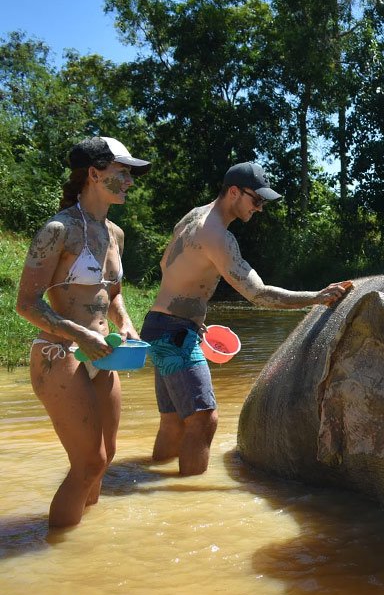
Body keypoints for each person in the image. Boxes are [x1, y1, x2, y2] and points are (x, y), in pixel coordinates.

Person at [140, 162, 352, 476]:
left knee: (174, 422)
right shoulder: (217, 236)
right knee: (203, 418)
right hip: (175, 332)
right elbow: (259, 294)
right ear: (234, 192)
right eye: (257, 200)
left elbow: (166, 264)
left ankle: (149, 486)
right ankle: (188, 504)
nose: (260, 209)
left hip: (158, 325)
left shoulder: (193, 216)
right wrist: (318, 297)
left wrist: (190, 316)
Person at [16, 136, 151, 527]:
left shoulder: (115, 234)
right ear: (94, 174)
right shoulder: (59, 230)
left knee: (104, 459)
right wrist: (80, 335)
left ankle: (83, 555)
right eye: (122, 173)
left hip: (103, 355)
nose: (129, 181)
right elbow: (26, 304)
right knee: (88, 461)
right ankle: (52, 551)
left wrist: (124, 323)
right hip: (60, 356)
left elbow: (114, 294)